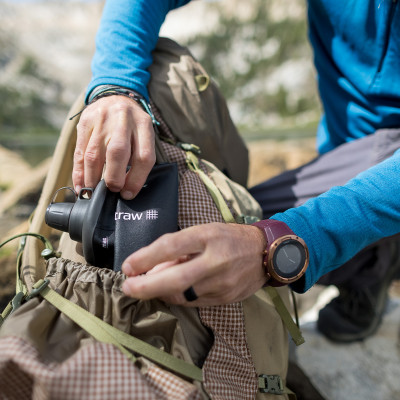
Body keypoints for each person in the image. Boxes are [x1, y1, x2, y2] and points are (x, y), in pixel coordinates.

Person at [74, 0, 400, 343]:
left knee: (235, 247)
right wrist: (117, 86)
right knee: (218, 235)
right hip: (346, 157)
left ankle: (374, 260)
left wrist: (281, 246)